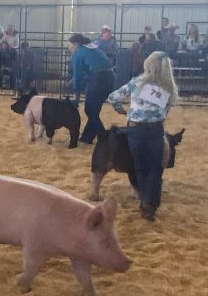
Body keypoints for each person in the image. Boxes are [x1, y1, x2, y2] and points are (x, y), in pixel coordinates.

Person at [107, 51, 178, 221]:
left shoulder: (137, 82)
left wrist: (119, 109)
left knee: (140, 166)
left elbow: (113, 97)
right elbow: (165, 112)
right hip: (155, 130)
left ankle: (145, 199)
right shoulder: (168, 88)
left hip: (135, 129)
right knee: (155, 167)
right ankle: (149, 204)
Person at [69, 33, 114, 145]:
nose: (69, 48)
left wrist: (76, 94)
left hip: (98, 79)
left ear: (76, 44)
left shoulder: (78, 53)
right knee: (94, 110)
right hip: (110, 78)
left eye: (70, 46)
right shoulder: (94, 49)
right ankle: (87, 137)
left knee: (89, 110)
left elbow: (78, 76)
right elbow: (92, 70)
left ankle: (103, 136)